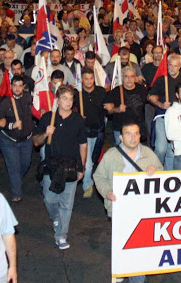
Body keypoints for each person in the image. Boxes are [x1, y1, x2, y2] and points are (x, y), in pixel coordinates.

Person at [93, 122, 161, 283]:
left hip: (142, 209)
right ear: (121, 137)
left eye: (136, 133)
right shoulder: (111, 155)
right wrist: (107, 192)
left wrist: (155, 170)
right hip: (119, 208)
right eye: (128, 134)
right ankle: (124, 268)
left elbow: (162, 174)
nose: (133, 137)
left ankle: (135, 274)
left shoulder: (149, 154)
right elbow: (99, 176)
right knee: (123, 242)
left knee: (136, 245)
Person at [33, 86, 87, 250]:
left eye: (71, 99)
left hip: (71, 166)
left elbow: (83, 145)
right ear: (57, 100)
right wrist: (45, 134)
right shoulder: (48, 118)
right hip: (51, 166)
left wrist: (82, 167)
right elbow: (36, 142)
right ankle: (55, 217)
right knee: (50, 199)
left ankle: (62, 235)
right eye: (65, 98)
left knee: (66, 204)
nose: (68, 102)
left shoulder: (78, 120)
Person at [0, 75, 35, 202]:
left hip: (26, 139)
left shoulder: (29, 98)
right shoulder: (5, 102)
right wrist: (11, 125)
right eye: (14, 86)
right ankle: (17, 192)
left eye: (20, 86)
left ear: (23, 87)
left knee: (26, 163)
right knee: (14, 166)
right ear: (11, 86)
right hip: (9, 141)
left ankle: (16, 179)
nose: (17, 89)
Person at [148, 53, 181, 168]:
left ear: (180, 66)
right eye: (170, 65)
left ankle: (168, 176)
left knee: (172, 151)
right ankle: (155, 171)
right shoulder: (162, 79)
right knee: (161, 148)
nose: (172, 68)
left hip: (178, 120)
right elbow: (150, 97)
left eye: (175, 66)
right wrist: (161, 104)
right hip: (162, 117)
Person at [76, 69, 107, 199]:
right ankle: (87, 185)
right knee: (87, 164)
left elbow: (107, 109)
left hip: (99, 132)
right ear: (81, 80)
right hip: (84, 134)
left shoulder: (101, 92)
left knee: (93, 160)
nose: (88, 81)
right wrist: (77, 116)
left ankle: (90, 180)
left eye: (91, 78)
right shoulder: (77, 94)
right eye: (86, 79)